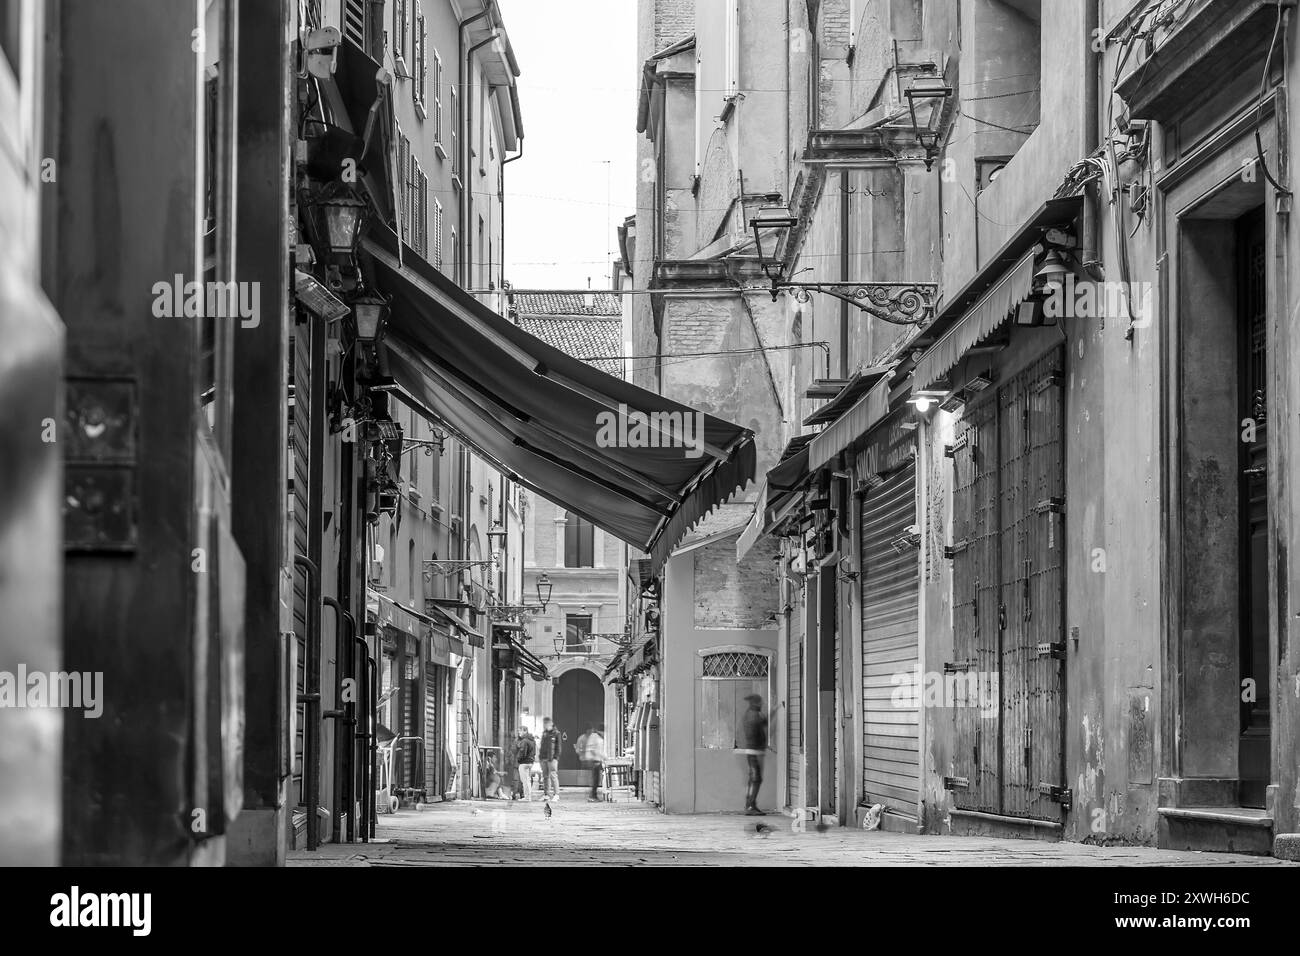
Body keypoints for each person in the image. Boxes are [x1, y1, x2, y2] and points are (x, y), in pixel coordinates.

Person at [739, 694, 768, 815]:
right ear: (756, 703)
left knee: (753, 779)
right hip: (754, 751)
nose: (762, 704)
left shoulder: (750, 714)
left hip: (753, 751)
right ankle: (750, 806)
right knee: (756, 779)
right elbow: (764, 723)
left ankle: (750, 805)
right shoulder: (754, 715)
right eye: (760, 702)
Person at [538, 717, 563, 800]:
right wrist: (540, 757)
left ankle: (556, 794)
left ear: (550, 723)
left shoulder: (556, 733)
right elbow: (542, 746)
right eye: (544, 724)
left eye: (546, 723)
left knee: (553, 775)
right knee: (545, 777)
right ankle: (546, 794)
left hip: (552, 758)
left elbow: (558, 747)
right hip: (543, 758)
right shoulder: (544, 733)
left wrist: (555, 757)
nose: (544, 725)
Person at [580, 724, 606, 802]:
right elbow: (593, 750)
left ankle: (593, 795)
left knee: (596, 779)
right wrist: (601, 757)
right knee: (595, 779)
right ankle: (592, 796)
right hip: (593, 760)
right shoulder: (595, 737)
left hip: (596, 759)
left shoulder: (597, 736)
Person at [514, 725, 537, 801]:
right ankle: (528, 796)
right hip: (530, 762)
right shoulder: (532, 740)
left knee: (524, 781)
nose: (519, 732)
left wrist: (518, 759)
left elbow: (522, 752)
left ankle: (527, 797)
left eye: (520, 731)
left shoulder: (524, 741)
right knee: (528, 780)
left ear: (525, 731)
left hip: (524, 763)